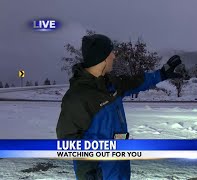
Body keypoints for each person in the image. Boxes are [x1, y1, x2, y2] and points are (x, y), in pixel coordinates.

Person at [56, 34, 185, 180]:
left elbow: (136, 82)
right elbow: (67, 141)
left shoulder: (110, 84)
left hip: (120, 168)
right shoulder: (78, 97)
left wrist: (161, 74)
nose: (114, 56)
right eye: (111, 52)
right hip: (101, 174)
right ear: (102, 58)